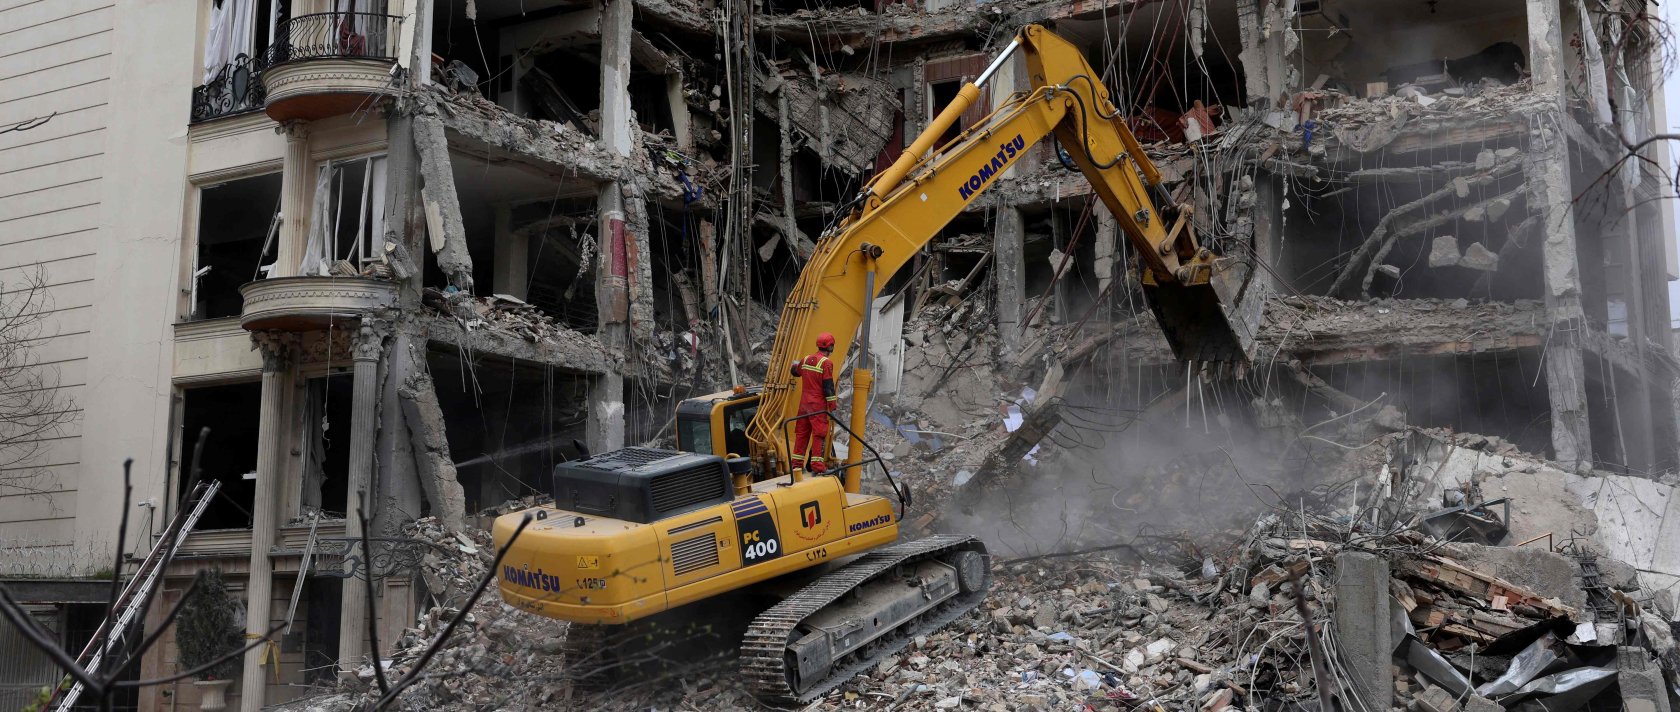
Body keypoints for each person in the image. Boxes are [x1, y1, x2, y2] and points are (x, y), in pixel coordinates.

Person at [790, 332, 838, 473]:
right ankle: (817, 466)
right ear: (830, 347)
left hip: (804, 404)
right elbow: (828, 387)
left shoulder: (805, 359)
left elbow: (795, 372)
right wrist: (833, 406)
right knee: (819, 434)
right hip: (817, 405)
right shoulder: (826, 363)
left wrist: (794, 364)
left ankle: (797, 466)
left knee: (802, 433)